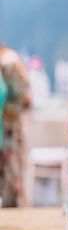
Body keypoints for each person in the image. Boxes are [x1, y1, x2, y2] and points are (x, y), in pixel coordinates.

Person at [0, 45, 31, 207]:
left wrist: (5, 109)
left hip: (9, 134)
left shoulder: (8, 62)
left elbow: (25, 100)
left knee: (11, 185)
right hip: (6, 133)